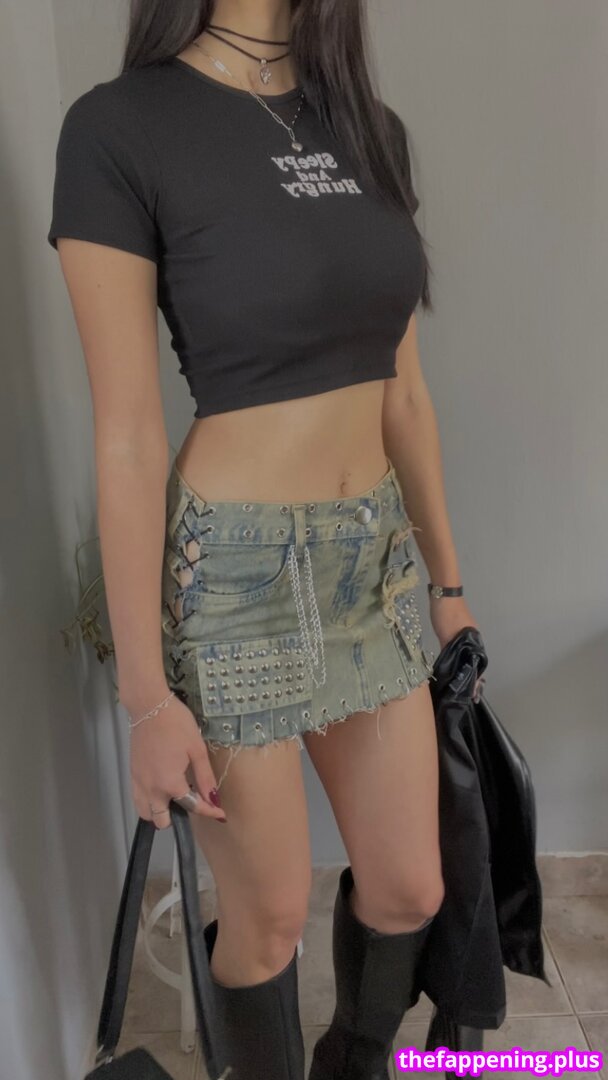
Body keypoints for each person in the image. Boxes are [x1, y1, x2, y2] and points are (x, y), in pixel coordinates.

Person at [47, 2, 484, 1077]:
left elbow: (404, 395)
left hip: (372, 563)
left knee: (409, 889)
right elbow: (127, 437)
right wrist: (147, 698)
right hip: (234, 576)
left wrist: (447, 584)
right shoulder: (118, 128)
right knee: (270, 916)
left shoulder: (368, 127)